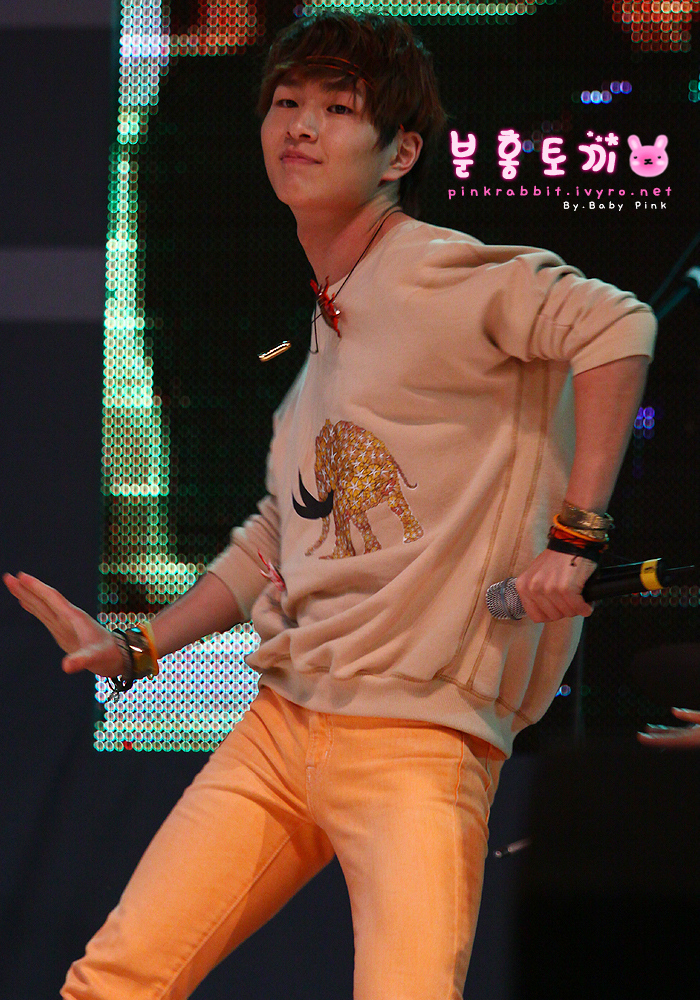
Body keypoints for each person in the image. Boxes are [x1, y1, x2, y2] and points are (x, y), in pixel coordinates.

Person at [3, 12, 657, 1000]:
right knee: (114, 982)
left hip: (415, 742)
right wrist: (140, 646)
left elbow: (617, 323)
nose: (301, 125)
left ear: (401, 152)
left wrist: (576, 532)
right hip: (284, 724)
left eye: (338, 108)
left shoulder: (434, 270)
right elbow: (280, 533)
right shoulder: (333, 314)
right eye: (287, 102)